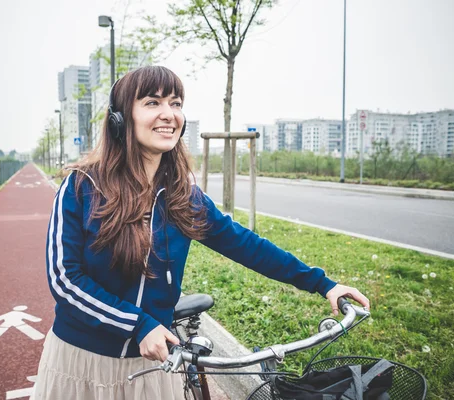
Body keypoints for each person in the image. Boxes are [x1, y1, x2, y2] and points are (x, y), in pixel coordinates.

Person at [34, 65, 370, 399]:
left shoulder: (183, 197)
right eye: (153, 103)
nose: (169, 114)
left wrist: (322, 283)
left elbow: (247, 245)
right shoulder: (81, 186)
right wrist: (138, 325)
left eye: (176, 103)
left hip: (155, 368)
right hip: (84, 364)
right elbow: (64, 279)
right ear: (121, 119)